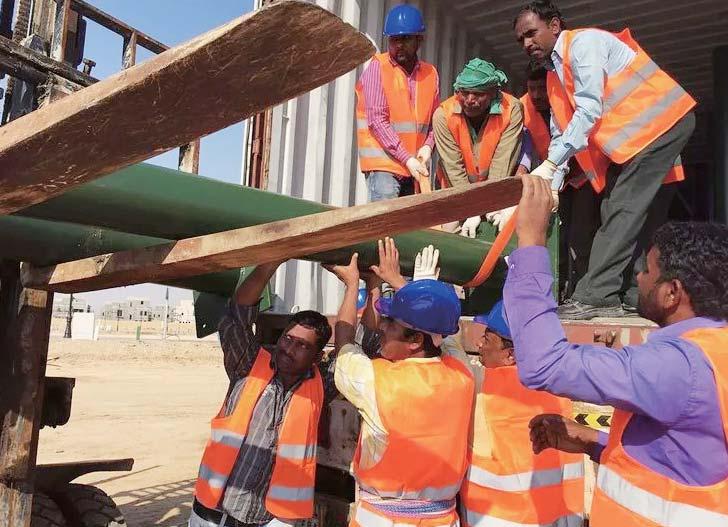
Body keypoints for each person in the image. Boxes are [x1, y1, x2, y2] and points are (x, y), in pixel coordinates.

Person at [505, 175, 728, 526]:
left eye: (647, 270)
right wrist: (595, 441)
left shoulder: (679, 366)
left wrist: (532, 242)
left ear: (672, 292)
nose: (638, 277)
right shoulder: (715, 352)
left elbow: (544, 364)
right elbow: (686, 460)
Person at [514, 1, 696, 319]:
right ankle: (634, 294)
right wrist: (553, 182)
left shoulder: (585, 44)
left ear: (554, 26)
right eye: (521, 39)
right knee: (637, 212)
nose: (527, 43)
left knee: (622, 208)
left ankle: (597, 294)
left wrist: (551, 164)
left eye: (531, 33)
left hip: (658, 127)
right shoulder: (555, 77)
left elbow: (589, 110)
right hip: (643, 137)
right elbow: (562, 132)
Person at [327, 244, 474, 527]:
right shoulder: (462, 374)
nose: (382, 327)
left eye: (391, 324)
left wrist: (352, 284)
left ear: (415, 341)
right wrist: (410, 288)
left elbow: (344, 340)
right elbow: (444, 334)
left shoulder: (375, 380)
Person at [190, 261, 335, 527]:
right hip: (213, 516)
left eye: (302, 345)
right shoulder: (247, 365)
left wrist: (355, 285)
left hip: (268, 520)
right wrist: (271, 263)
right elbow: (237, 316)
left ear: (317, 357)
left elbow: (350, 352)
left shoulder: (320, 385)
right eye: (287, 339)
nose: (289, 348)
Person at [459, 300, 584, 527]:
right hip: (550, 518)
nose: (478, 343)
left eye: (487, 339)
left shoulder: (485, 385)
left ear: (511, 355)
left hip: (495, 519)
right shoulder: (558, 390)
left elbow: (449, 356)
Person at [518, 61, 601, 300]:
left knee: (581, 236)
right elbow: (524, 150)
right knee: (554, 236)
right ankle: (558, 289)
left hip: (582, 178)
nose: (536, 95)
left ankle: (582, 291)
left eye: (542, 89)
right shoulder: (522, 108)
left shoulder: (570, 100)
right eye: (532, 89)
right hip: (551, 181)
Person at [355, 4, 440, 201]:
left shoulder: (431, 74)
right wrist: (407, 158)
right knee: (387, 217)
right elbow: (377, 121)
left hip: (414, 165)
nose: (399, 45)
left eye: (406, 39)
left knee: (410, 220)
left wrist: (428, 146)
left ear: (419, 40)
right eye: (394, 39)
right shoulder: (378, 68)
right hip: (384, 165)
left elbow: (437, 121)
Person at [433, 58, 523, 237]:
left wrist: (490, 204)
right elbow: (453, 168)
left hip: (496, 187)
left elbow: (502, 162)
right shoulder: (443, 115)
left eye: (478, 94)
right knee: (448, 235)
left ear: (493, 93)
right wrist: (472, 208)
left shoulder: (511, 109)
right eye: (464, 93)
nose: (469, 100)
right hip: (455, 189)